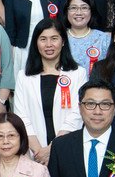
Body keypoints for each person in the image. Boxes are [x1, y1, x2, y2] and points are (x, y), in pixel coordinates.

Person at [12, 19, 86, 165]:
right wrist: (39, 152)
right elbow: (21, 116)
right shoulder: (23, 76)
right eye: (43, 39)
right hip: (34, 153)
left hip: (68, 148)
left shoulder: (78, 73)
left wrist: (53, 149)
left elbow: (77, 114)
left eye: (54, 38)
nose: (49, 44)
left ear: (63, 41)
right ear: (36, 43)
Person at [64, 0, 111, 73]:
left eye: (84, 8)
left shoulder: (104, 38)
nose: (78, 13)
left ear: (91, 11)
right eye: (73, 8)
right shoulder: (60, 38)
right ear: (67, 11)